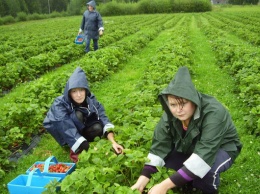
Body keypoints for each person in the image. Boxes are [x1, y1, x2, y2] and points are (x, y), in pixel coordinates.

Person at [131, 66, 242, 194]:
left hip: (222, 147)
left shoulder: (214, 112)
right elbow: (159, 148)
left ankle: (207, 189)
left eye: (183, 103)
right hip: (192, 145)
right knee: (168, 165)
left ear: (193, 100)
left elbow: (205, 154)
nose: (178, 110)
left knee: (207, 171)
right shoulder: (170, 115)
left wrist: (164, 186)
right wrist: (142, 179)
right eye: (173, 104)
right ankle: (188, 184)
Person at [43, 67, 123, 163]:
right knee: (78, 115)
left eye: (81, 90)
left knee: (98, 127)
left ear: (86, 90)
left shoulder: (90, 98)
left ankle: (82, 141)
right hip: (61, 130)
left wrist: (113, 142)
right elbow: (66, 128)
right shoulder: (59, 104)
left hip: (78, 124)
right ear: (69, 93)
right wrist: (92, 150)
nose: (79, 95)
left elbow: (102, 117)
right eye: (74, 91)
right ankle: (75, 148)